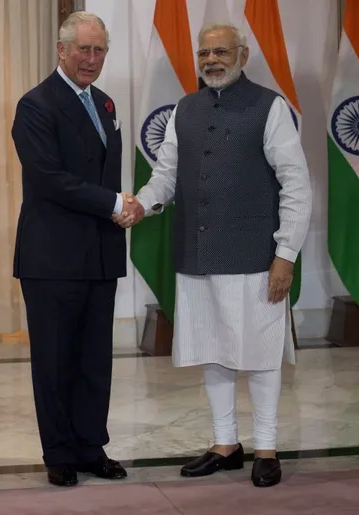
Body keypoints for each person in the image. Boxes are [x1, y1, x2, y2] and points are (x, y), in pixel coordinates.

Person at [116, 22, 312, 487]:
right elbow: (166, 175)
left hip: (255, 256)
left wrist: (285, 254)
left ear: (242, 55)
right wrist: (143, 204)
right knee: (213, 350)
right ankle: (225, 444)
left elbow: (297, 184)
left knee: (260, 354)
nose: (211, 60)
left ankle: (267, 448)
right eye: (204, 53)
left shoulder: (269, 106)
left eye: (221, 52)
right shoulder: (185, 108)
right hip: (198, 253)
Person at [10, 12, 136, 487]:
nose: (91, 58)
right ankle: (59, 452)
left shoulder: (105, 103)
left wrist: (122, 208)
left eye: (99, 50)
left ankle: (90, 447)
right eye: (83, 49)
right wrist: (114, 203)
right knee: (55, 361)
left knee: (94, 361)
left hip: (101, 253)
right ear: (61, 50)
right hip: (52, 258)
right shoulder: (35, 105)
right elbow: (49, 179)